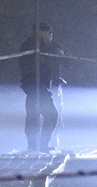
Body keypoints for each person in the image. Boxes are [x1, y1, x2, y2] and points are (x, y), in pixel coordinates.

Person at [18, 22, 64, 152]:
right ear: (39, 32)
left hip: (44, 86)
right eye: (46, 32)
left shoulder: (52, 47)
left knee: (47, 115)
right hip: (33, 86)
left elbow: (66, 62)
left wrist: (59, 54)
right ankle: (34, 145)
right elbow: (24, 64)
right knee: (37, 115)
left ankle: (41, 144)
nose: (49, 35)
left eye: (50, 32)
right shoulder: (29, 45)